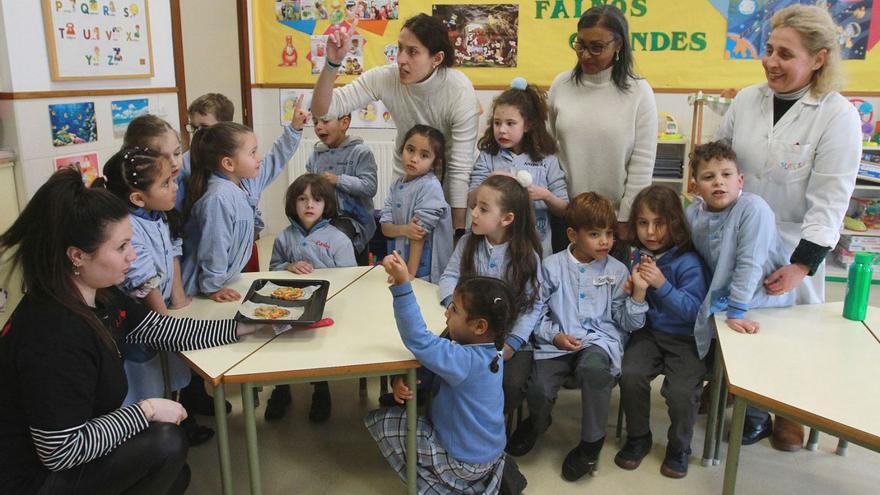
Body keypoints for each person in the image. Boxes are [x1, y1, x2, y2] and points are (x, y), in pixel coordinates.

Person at [0, 167, 258, 495]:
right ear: (77, 256)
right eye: (121, 247)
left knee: (174, 476)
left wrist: (244, 326)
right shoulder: (54, 332)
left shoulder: (100, 293)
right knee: (166, 445)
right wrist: (145, 411)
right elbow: (60, 451)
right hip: (30, 479)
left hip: (57, 461)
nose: (133, 256)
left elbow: (162, 329)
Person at [715, 4, 862, 451]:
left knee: (784, 333)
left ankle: (784, 412)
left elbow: (831, 202)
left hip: (790, 240)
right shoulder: (746, 100)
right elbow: (719, 161)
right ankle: (731, 395)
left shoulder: (836, 116)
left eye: (785, 54)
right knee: (731, 319)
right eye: (769, 49)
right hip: (736, 231)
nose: (771, 62)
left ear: (818, 59)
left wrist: (801, 265)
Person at [507, 192, 647, 482]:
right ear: (573, 234)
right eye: (595, 234)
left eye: (608, 233)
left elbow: (626, 323)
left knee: (595, 369)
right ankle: (538, 422)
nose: (605, 241)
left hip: (598, 341)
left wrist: (638, 294)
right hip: (555, 344)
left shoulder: (618, 270)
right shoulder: (551, 267)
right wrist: (555, 336)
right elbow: (536, 314)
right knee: (539, 390)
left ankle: (590, 444)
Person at [365, 253, 521, 494]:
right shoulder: (493, 350)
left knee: (382, 421)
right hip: (491, 451)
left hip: (464, 461)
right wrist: (402, 380)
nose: (447, 313)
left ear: (479, 326)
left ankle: (448, 487)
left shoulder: (465, 360)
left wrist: (402, 286)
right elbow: (435, 361)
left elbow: (419, 339)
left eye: (455, 310)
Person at [311, 13, 481, 233]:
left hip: (449, 179)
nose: (401, 59)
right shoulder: (386, 77)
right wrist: (332, 63)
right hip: (407, 175)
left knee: (442, 253)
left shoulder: (459, 90)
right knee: (404, 245)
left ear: (436, 59)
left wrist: (458, 232)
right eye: (400, 48)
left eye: (412, 52)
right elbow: (321, 109)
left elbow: (459, 167)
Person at [98, 148, 216, 446]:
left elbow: (172, 253)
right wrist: (165, 323)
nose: (176, 187)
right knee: (146, 384)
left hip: (160, 313)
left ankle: (177, 425)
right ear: (138, 198)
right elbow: (143, 280)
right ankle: (148, 440)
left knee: (173, 375)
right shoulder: (131, 225)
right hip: (142, 322)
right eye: (166, 183)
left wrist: (176, 301)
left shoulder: (158, 215)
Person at [685, 142, 796, 446]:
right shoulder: (694, 213)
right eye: (708, 177)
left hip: (760, 300)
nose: (718, 181)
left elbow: (749, 263)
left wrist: (736, 310)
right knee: (721, 353)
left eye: (726, 174)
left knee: (753, 358)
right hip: (724, 297)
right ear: (695, 185)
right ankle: (724, 392)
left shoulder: (753, 209)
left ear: (740, 181)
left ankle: (758, 419)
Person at [614, 185, 709, 479]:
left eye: (659, 223)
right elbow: (637, 312)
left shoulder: (688, 262)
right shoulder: (636, 256)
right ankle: (639, 437)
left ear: (674, 223)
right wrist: (634, 293)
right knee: (630, 373)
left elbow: (695, 313)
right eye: (643, 223)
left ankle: (679, 447)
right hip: (649, 335)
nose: (650, 232)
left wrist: (662, 285)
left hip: (685, 339)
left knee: (682, 392)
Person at [547, 4, 657, 251]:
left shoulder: (638, 93)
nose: (585, 55)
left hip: (611, 223)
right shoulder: (561, 85)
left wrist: (626, 219)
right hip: (564, 215)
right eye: (580, 45)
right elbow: (548, 149)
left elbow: (642, 164)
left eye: (597, 47)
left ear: (618, 44)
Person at [439, 175, 543, 417]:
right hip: (466, 330)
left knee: (510, 384)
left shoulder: (527, 257)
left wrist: (511, 345)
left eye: (483, 209)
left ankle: (491, 431)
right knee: (439, 368)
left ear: (507, 219)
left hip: (508, 338)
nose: (473, 213)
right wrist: (455, 308)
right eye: (475, 205)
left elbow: (532, 306)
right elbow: (448, 277)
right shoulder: (467, 243)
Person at [181, 114, 306, 300]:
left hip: (225, 281)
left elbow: (276, 159)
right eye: (252, 153)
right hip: (202, 291)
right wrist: (213, 287)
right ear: (228, 163)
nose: (259, 157)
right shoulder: (218, 198)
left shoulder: (245, 182)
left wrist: (294, 128)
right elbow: (215, 247)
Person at [264, 174, 357, 423]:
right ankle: (281, 388)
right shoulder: (284, 237)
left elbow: (352, 278)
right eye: (302, 199)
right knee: (281, 343)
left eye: (316, 199)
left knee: (317, 347)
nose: (309, 205)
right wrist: (288, 266)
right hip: (289, 306)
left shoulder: (338, 239)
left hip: (325, 306)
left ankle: (321, 389)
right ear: (293, 204)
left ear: (326, 204)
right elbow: (272, 269)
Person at [470, 78, 569, 257]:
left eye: (510, 123)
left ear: (528, 125)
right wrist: (490, 181)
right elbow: (471, 201)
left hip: (535, 252)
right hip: (493, 251)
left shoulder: (548, 160)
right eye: (497, 123)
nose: (501, 130)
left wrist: (545, 195)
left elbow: (564, 208)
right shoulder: (487, 157)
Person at [380, 125, 453, 283]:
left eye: (424, 155)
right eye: (410, 149)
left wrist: (409, 274)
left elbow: (418, 236)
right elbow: (385, 228)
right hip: (399, 262)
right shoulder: (397, 184)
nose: (414, 159)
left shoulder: (430, 187)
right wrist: (405, 230)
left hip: (419, 269)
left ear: (434, 163)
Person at [305, 113, 378, 265]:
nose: (318, 127)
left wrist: (338, 180)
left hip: (354, 222)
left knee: (352, 267)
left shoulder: (360, 152)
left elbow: (370, 187)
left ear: (344, 123)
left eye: (324, 121)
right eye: (315, 122)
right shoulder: (315, 156)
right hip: (322, 220)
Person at [123, 115, 186, 211]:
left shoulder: (183, 179)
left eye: (177, 153)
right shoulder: (136, 203)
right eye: (163, 158)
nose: (174, 163)